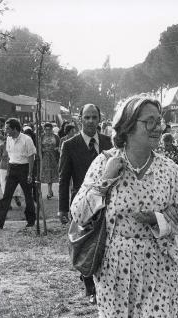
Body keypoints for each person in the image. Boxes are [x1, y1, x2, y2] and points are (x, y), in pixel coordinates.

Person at [70, 96, 178, 318]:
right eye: (148, 121)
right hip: (114, 270)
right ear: (128, 126)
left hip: (158, 269)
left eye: (158, 120)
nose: (156, 127)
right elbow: (79, 213)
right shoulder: (105, 162)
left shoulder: (169, 170)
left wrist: (157, 218)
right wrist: (105, 183)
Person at [59, 104, 113, 304]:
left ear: (99, 119)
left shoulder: (110, 143)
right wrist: (62, 208)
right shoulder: (70, 145)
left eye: (94, 117)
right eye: (87, 117)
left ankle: (104, 285)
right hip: (82, 205)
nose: (91, 121)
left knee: (104, 243)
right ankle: (90, 287)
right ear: (80, 119)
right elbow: (64, 178)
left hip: (107, 203)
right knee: (85, 243)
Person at [0, 118, 36, 229]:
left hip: (24, 168)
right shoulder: (8, 139)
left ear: (15, 128)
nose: (5, 130)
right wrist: (7, 171)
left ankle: (31, 220)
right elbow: (9, 156)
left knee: (28, 196)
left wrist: (30, 173)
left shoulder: (26, 139)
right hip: (13, 169)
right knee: (6, 196)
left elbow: (31, 157)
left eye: (7, 128)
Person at [40, 122, 60, 199]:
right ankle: (49, 191)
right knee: (47, 174)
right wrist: (42, 149)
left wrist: (56, 149)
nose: (48, 131)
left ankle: (50, 190)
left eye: (49, 129)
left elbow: (59, 146)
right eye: (46, 129)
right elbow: (39, 147)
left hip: (54, 157)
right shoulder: (41, 137)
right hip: (45, 158)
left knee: (52, 174)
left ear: (52, 129)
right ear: (44, 130)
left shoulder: (56, 137)